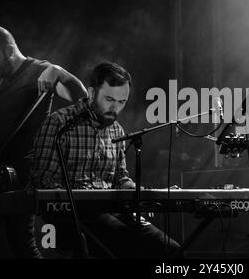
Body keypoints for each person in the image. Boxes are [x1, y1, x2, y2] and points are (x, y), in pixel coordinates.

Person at [30, 62, 180, 259]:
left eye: (122, 102)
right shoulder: (59, 122)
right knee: (126, 243)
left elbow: (120, 178)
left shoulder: (117, 130)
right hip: (73, 217)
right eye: (109, 99)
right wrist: (79, 199)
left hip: (112, 212)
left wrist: (140, 193)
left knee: (172, 250)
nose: (115, 108)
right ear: (91, 93)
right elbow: (43, 179)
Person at [0, 26, 88, 258]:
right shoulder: (1, 78)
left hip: (20, 174)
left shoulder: (39, 70)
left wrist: (58, 72)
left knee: (21, 244)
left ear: (9, 49)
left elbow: (83, 100)